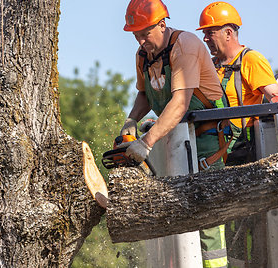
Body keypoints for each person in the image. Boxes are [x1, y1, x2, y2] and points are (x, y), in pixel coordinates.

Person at [120, 0, 229, 267]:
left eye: (145, 33)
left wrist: (145, 142)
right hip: (175, 135)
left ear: (162, 24)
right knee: (176, 209)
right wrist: (132, 119)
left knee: (207, 213)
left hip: (207, 138)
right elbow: (146, 93)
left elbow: (180, 102)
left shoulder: (186, 45)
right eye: (136, 35)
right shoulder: (143, 55)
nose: (141, 40)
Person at [196, 2, 278, 267]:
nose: (205, 38)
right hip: (213, 156)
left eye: (210, 32)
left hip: (244, 152)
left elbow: (276, 96)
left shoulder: (250, 60)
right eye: (204, 33)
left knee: (245, 223)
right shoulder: (210, 66)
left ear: (228, 33)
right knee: (221, 224)